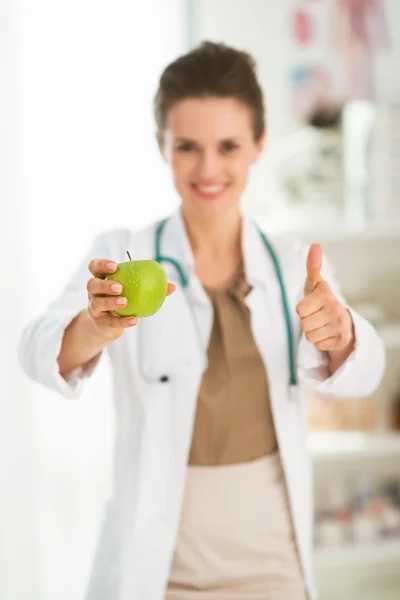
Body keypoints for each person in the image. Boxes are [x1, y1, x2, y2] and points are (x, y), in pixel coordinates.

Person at [18, 41, 385, 600]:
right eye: (187, 146)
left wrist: (344, 336)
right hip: (161, 567)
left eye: (228, 145)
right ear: (161, 147)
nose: (208, 169)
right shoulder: (122, 255)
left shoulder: (294, 264)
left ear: (259, 145)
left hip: (273, 563)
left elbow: (364, 373)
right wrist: (95, 327)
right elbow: (35, 349)